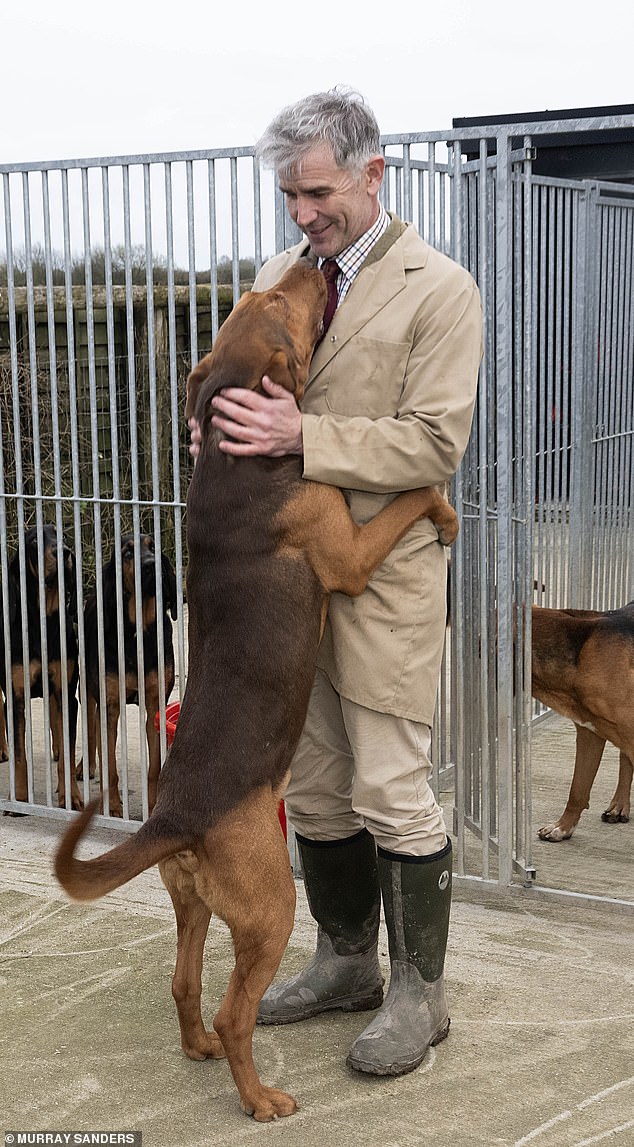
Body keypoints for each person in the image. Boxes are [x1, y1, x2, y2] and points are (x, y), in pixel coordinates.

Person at [189, 87, 482, 1077]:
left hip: (384, 577)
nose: (303, 214)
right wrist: (216, 420)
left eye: (316, 192)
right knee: (315, 789)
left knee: (392, 787)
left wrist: (301, 435)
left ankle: (418, 993)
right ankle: (347, 958)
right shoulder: (282, 273)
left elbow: (435, 441)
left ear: (370, 174)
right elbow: (242, 387)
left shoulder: (439, 289)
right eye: (289, 196)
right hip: (287, 590)